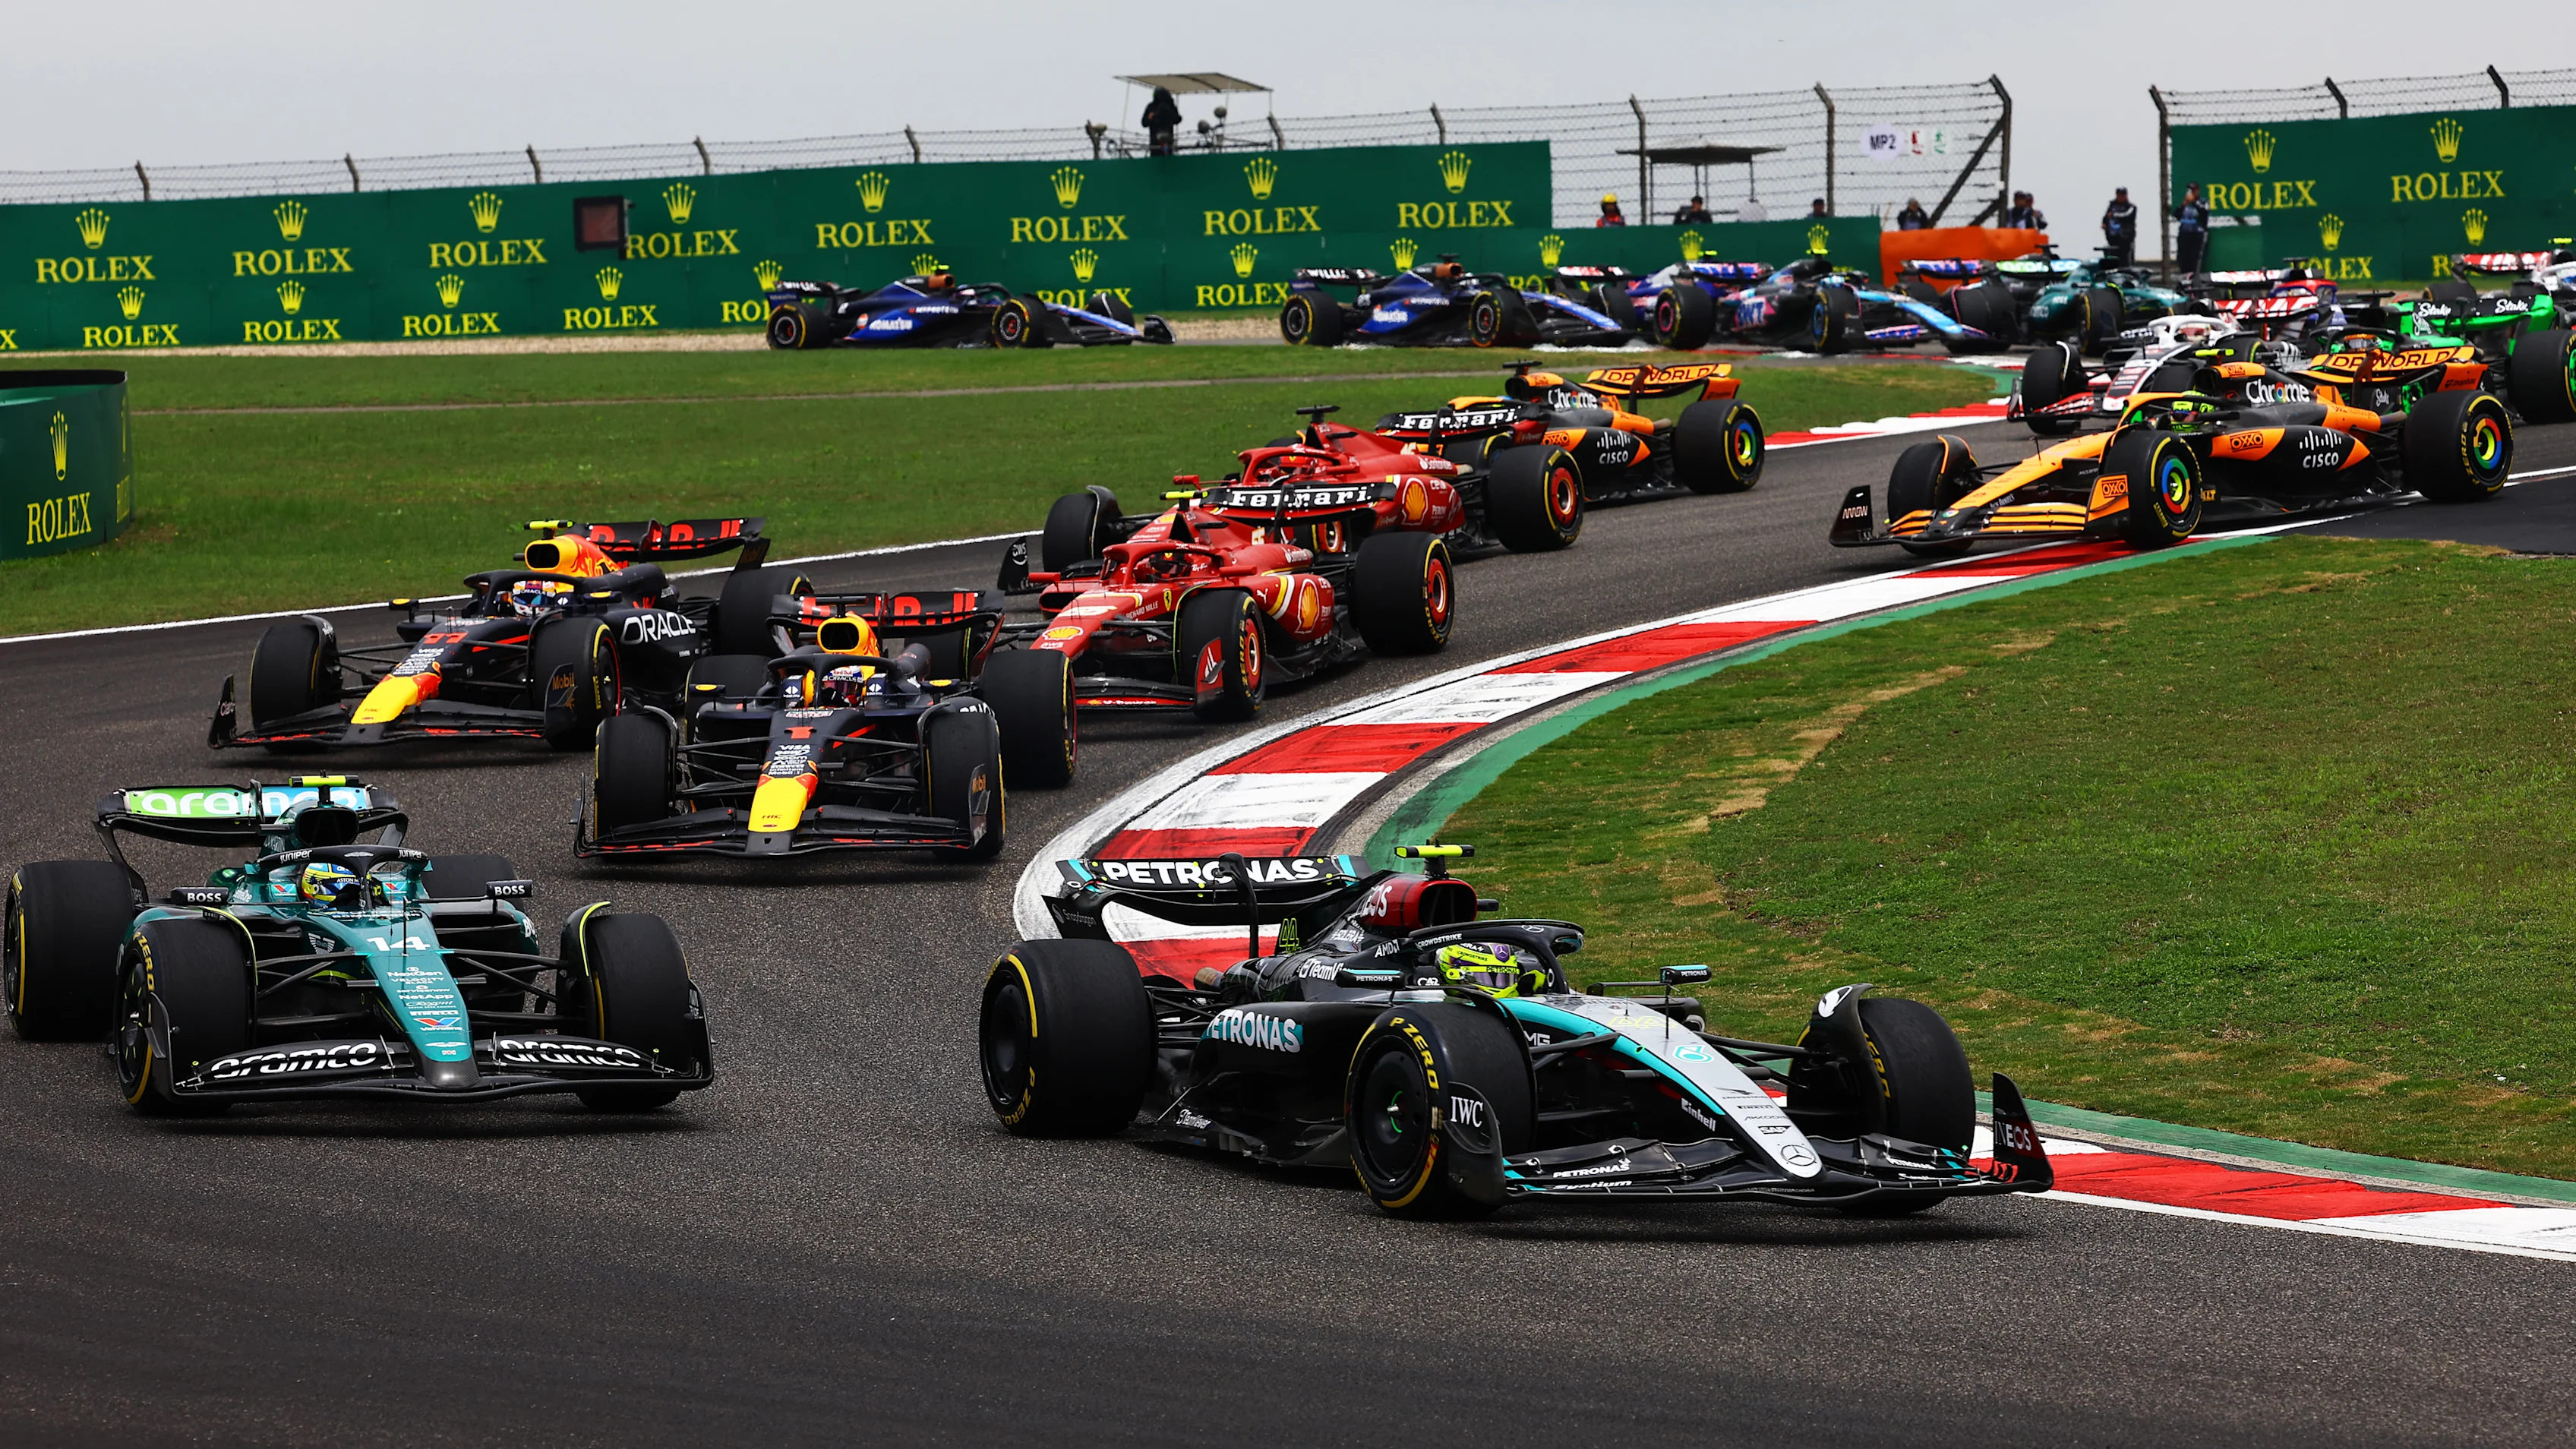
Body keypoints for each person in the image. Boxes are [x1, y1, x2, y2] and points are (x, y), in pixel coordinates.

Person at [2174, 184, 2210, 276]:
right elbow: (2177, 215)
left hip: (2197, 234)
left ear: (2197, 191)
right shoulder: (2185, 204)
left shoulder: (2203, 202)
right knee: (2182, 258)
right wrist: (2183, 205)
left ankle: (2193, 277)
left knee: (2194, 259)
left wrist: (2194, 202)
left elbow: (2204, 213)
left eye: (2193, 190)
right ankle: (2184, 276)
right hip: (2184, 233)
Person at [2102, 187, 2139, 267]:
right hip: (2113, 238)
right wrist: (2105, 223)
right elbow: (2106, 216)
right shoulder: (2112, 206)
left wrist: (2114, 215)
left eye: (2123, 195)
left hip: (2125, 238)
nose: (2121, 197)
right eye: (2119, 195)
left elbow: (2127, 215)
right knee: (2113, 258)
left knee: (2125, 259)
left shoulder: (2131, 207)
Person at [1141, 87, 1181, 156]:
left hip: (1167, 140)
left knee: (1167, 157)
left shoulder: (1169, 106)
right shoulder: (1152, 107)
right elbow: (1144, 123)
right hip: (1155, 141)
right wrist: (1150, 118)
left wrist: (1168, 116)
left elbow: (1177, 119)